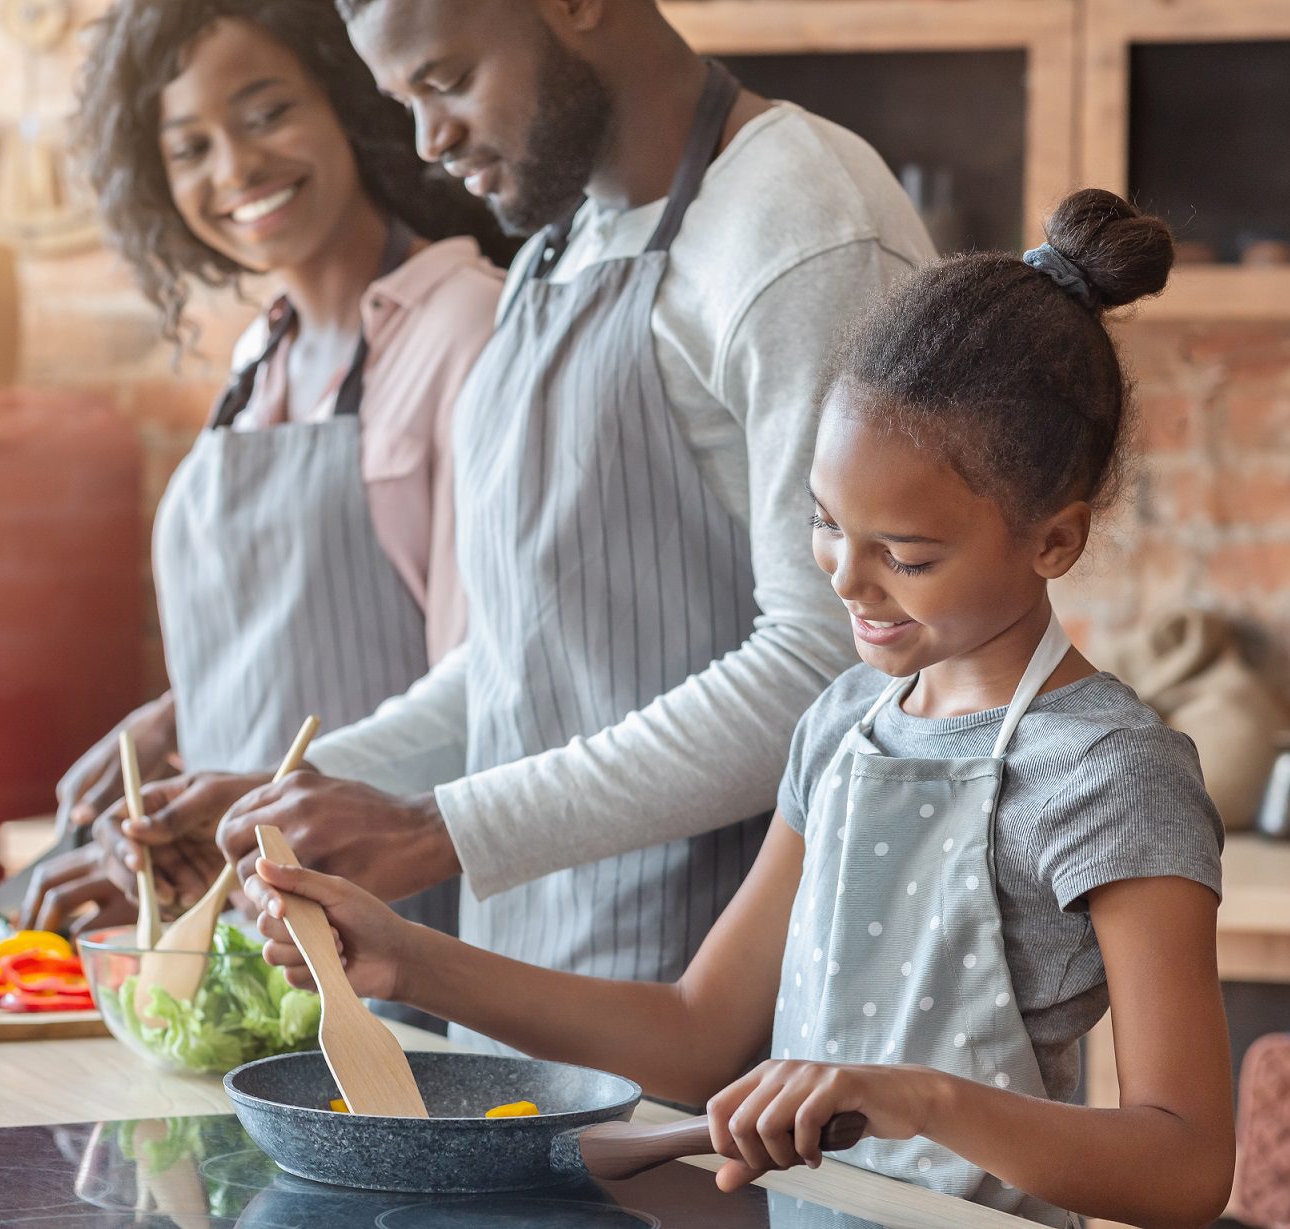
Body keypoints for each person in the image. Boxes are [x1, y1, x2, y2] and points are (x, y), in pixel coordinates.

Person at [244, 191, 1235, 1228]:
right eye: (823, 523)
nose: (846, 581)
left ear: (1053, 542)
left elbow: (1182, 1164)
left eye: (905, 555)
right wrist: (409, 958)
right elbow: (696, 1030)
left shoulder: (1110, 772)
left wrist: (915, 1097)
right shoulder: (845, 723)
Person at [91, 0, 937, 1041]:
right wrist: (300, 792)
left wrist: (438, 827)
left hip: (733, 1035)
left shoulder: (801, 227)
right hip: (530, 993)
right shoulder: (558, 249)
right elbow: (519, 665)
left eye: (444, 82)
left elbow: (833, 666)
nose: (425, 140)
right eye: (403, 101)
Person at [1, 0, 510, 936]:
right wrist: (177, 721)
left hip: (399, 924)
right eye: (190, 147)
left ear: (352, 101)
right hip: (247, 917)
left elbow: (490, 677)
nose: (235, 168)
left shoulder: (463, 327)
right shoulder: (257, 359)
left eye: (266, 112)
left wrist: (267, 794)